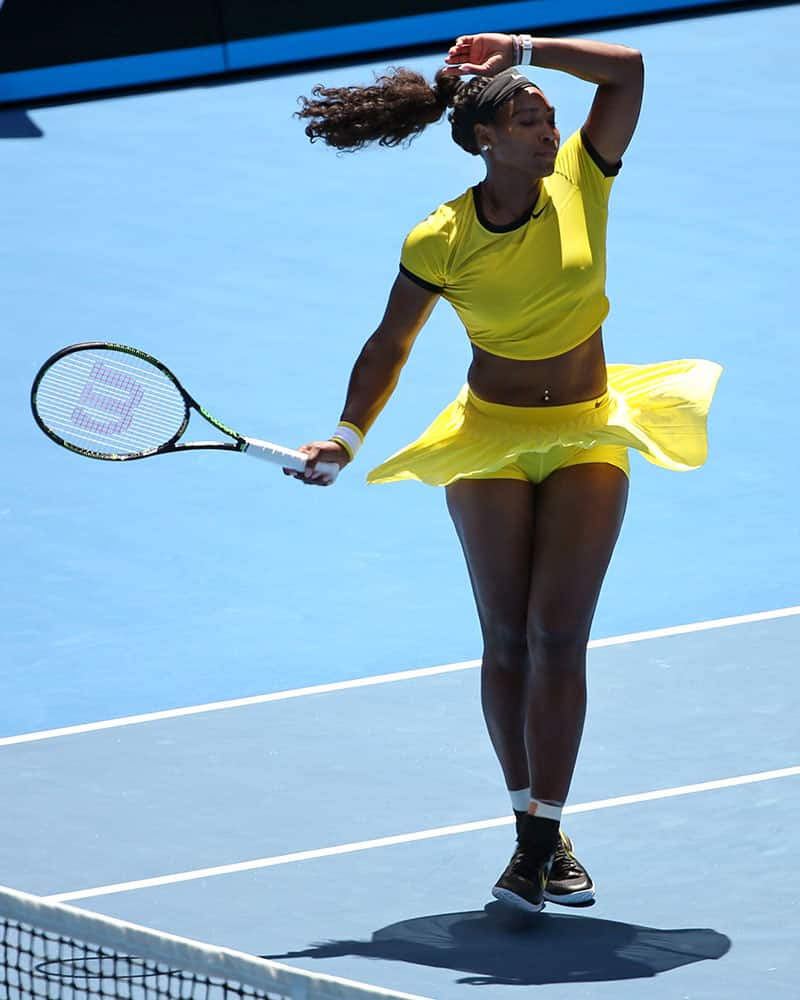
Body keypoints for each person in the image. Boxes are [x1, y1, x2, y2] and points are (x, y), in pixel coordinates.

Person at [288, 31, 721, 913]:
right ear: (485, 139)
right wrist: (345, 435)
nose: (547, 129)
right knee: (507, 639)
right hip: (487, 438)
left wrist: (524, 48)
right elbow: (389, 343)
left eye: (550, 116)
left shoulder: (584, 178)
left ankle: (539, 840)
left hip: (587, 432)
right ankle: (534, 825)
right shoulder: (441, 236)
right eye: (529, 119)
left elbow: (628, 71)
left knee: (559, 634)